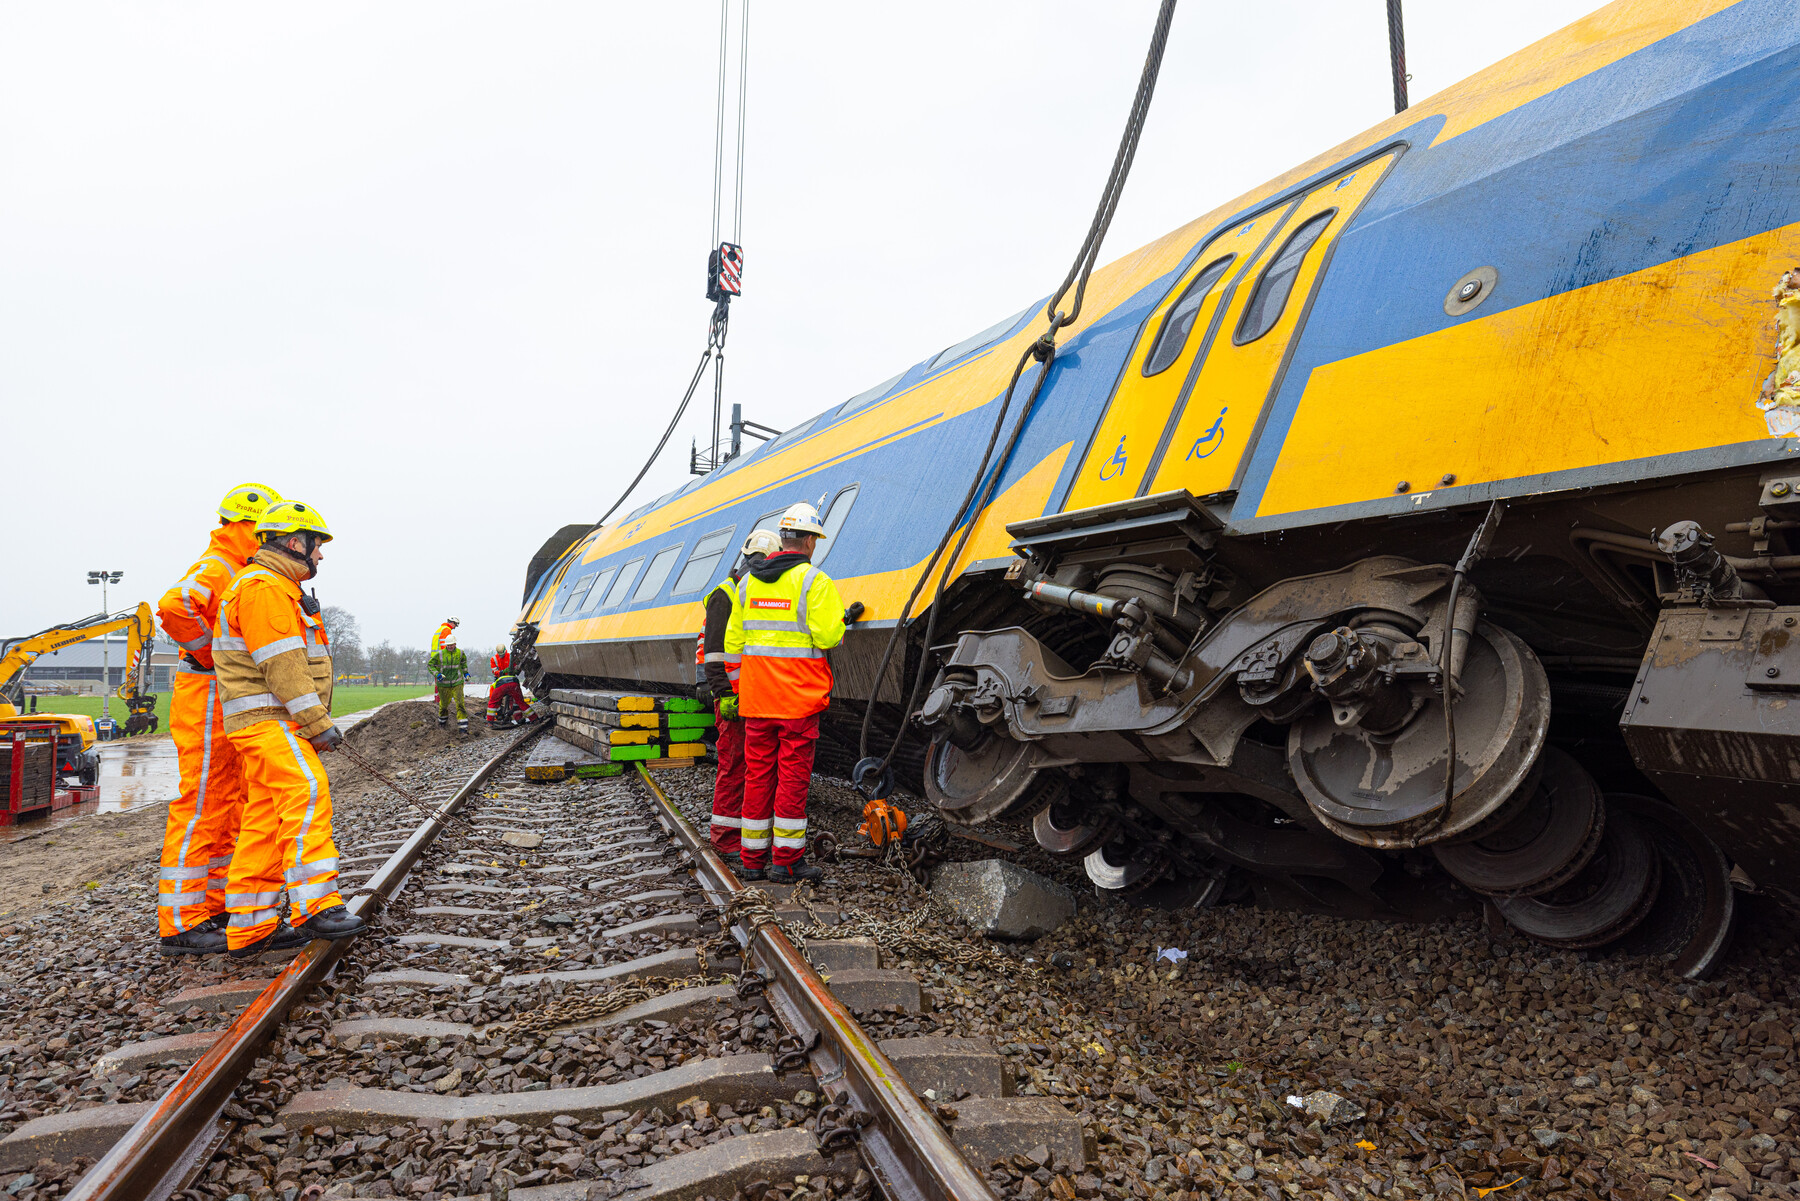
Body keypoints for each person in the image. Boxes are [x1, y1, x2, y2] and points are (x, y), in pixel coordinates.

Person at [213, 500, 364, 957]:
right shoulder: (265, 589)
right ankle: (317, 905)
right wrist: (317, 723)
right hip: (270, 722)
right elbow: (283, 666)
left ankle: (250, 927)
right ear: (296, 542)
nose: (321, 556)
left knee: (263, 821)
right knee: (308, 792)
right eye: (318, 546)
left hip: (262, 723)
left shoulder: (270, 587)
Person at [153, 483, 283, 955]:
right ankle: (182, 921)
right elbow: (174, 605)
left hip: (219, 693)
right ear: (250, 526)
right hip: (205, 691)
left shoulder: (239, 566)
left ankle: (214, 904)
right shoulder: (220, 565)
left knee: (230, 801)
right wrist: (211, 654)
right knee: (205, 800)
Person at [725, 503, 864, 882]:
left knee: (757, 777)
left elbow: (734, 643)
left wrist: (740, 691)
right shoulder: (812, 582)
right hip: (797, 703)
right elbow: (829, 636)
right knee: (791, 780)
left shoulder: (747, 584)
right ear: (807, 541)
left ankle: (751, 861)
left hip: (757, 701)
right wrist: (843, 619)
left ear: (783, 539)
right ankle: (785, 862)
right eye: (815, 539)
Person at [699, 529, 782, 861]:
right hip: (733, 697)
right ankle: (724, 837)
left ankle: (752, 836)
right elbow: (714, 654)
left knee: (757, 767)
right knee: (734, 764)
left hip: (758, 695)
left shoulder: (754, 593)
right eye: (758, 561)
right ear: (748, 561)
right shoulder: (727, 595)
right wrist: (725, 694)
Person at [429, 631, 469, 732]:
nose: (450, 647)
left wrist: (466, 674)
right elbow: (430, 665)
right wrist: (437, 674)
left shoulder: (460, 653)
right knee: (443, 706)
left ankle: (463, 729)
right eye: (448, 645)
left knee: (460, 703)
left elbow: (463, 664)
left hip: (457, 682)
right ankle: (442, 725)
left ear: (455, 644)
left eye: (452, 645)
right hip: (443, 684)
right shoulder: (440, 654)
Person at [486, 642, 532, 727]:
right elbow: (494, 671)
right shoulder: (494, 659)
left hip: (509, 681)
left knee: (514, 700)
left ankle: (518, 718)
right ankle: (499, 714)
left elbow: (517, 668)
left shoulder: (511, 657)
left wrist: (514, 670)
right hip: (502, 681)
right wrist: (502, 672)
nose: (501, 656)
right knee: (494, 698)